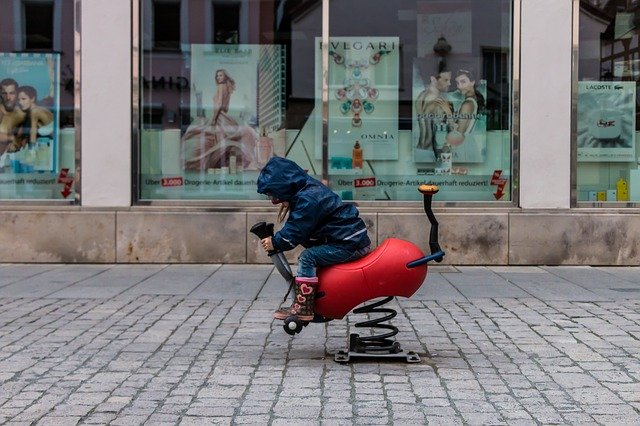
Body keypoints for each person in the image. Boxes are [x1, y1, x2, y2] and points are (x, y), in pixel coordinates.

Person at [257, 157, 371, 321]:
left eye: (273, 194)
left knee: (308, 257)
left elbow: (296, 229)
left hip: (348, 243)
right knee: (314, 258)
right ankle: (315, 304)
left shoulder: (308, 199)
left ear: (283, 187)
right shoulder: (305, 191)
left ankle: (303, 308)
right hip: (348, 239)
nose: (273, 200)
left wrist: (275, 242)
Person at [181, 69, 259, 171]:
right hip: (224, 116)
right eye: (217, 76)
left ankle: (217, 165)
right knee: (221, 140)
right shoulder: (228, 88)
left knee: (217, 140)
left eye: (221, 75)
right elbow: (225, 108)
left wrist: (214, 118)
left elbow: (218, 105)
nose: (218, 77)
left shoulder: (221, 86)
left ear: (225, 76)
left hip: (219, 117)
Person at [415, 64, 454, 160]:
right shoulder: (439, 104)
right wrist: (449, 112)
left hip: (419, 150)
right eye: (446, 80)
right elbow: (451, 134)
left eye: (450, 80)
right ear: (433, 80)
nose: (449, 83)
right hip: (432, 154)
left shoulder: (421, 96)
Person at [0, 78, 26, 154]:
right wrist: (12, 138)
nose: (8, 97)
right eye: (4, 93)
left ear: (17, 93)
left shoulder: (22, 111)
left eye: (12, 93)